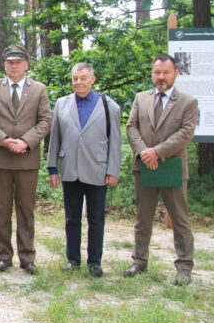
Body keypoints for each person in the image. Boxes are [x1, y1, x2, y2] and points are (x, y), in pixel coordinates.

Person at [0, 45, 52, 274]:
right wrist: (5, 140)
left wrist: (26, 141)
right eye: (10, 62)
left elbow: (46, 121)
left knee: (26, 210)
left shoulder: (38, 89)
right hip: (0, 158)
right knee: (1, 210)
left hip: (27, 159)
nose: (14, 66)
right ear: (5, 65)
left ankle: (27, 257)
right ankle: (4, 256)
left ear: (26, 65)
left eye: (18, 62)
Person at [125, 54, 198, 286]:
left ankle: (185, 266)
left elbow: (186, 133)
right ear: (152, 73)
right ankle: (139, 260)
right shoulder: (141, 98)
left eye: (166, 72)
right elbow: (131, 127)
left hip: (172, 166)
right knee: (142, 218)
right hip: (144, 165)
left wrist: (157, 152)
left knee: (180, 218)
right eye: (157, 72)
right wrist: (145, 152)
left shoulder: (187, 101)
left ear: (175, 73)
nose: (161, 77)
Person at [47, 63, 121, 278]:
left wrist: (113, 170)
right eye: (75, 78)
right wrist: (53, 167)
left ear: (93, 80)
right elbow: (55, 138)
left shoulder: (109, 106)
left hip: (97, 169)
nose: (78, 82)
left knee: (96, 218)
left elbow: (115, 141)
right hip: (70, 168)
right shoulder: (62, 104)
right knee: (72, 218)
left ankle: (95, 261)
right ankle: (72, 259)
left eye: (83, 78)